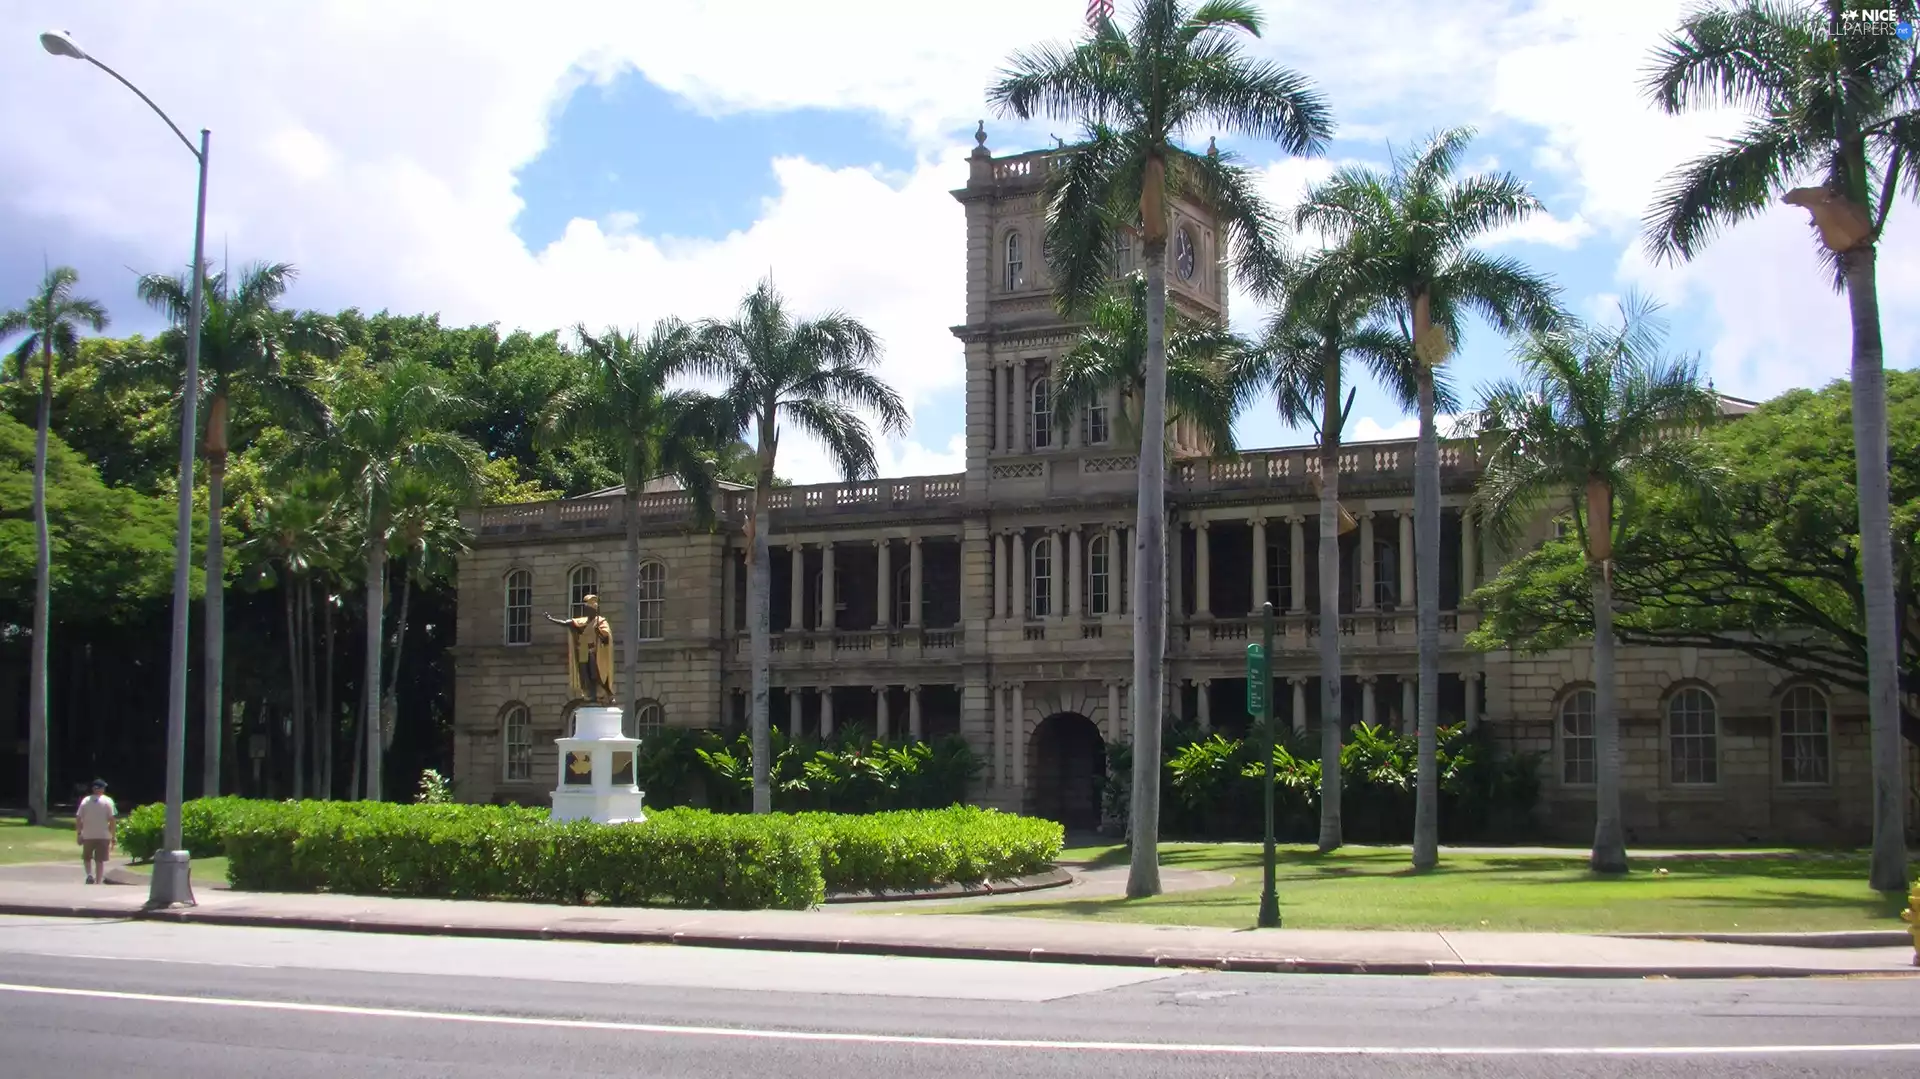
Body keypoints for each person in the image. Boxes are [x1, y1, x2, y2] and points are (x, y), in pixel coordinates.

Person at [74, 779, 116, 885]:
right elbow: (112, 819)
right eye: (102, 788)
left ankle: (89, 874)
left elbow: (78, 818)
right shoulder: (108, 801)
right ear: (100, 789)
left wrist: (79, 833)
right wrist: (113, 835)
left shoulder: (85, 800)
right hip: (103, 835)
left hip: (88, 834)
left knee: (87, 857)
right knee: (100, 860)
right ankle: (98, 881)